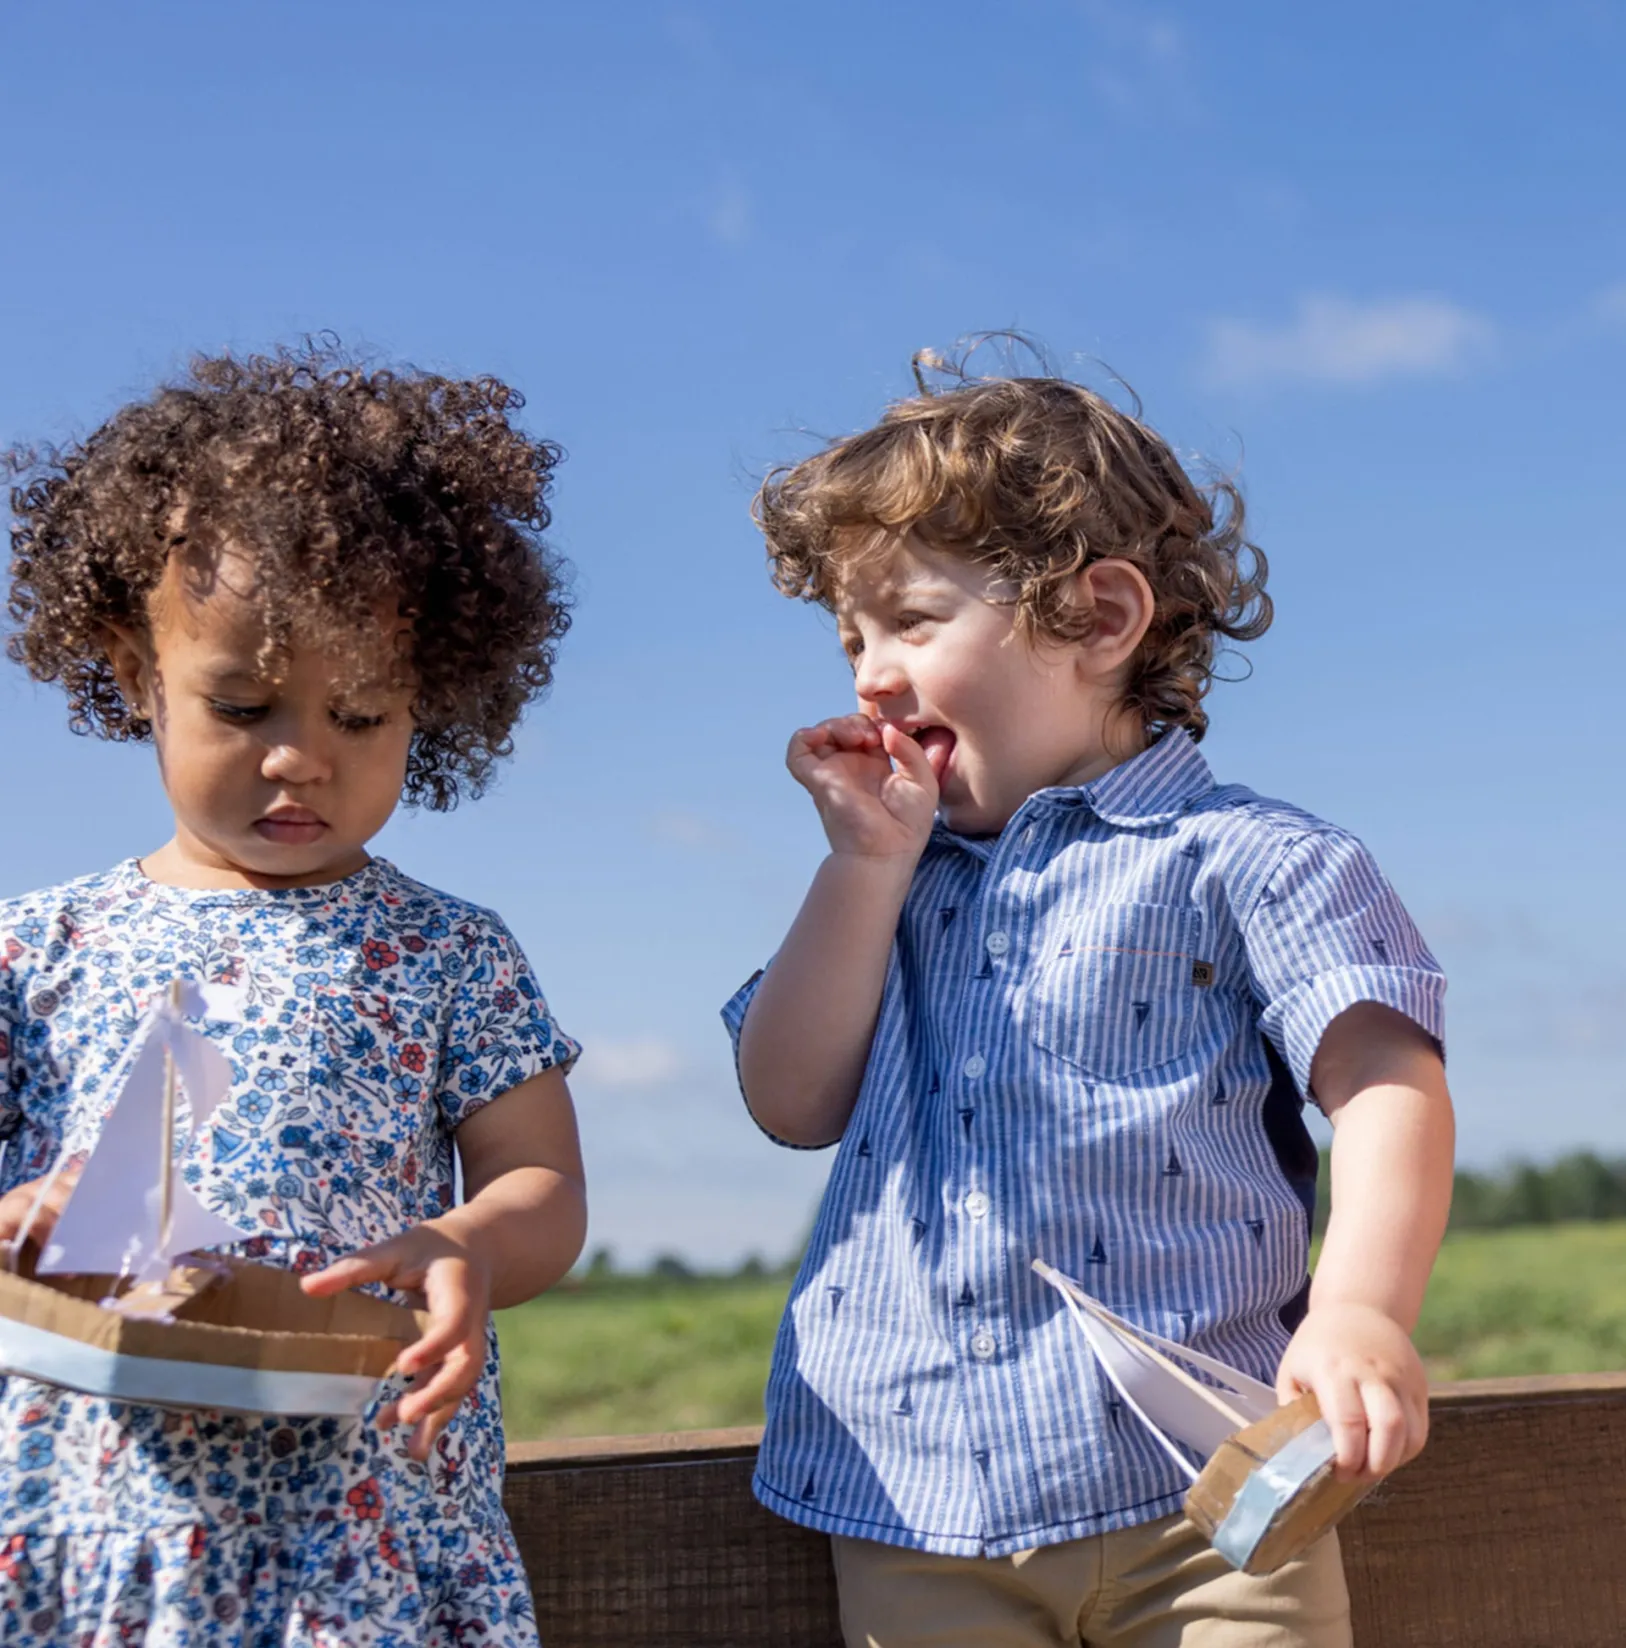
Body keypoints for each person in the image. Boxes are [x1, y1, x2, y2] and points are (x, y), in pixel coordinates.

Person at [725, 343, 1454, 1647]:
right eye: (850, 635)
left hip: (1215, 1495)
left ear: (1101, 619)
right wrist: (862, 868)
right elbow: (789, 1102)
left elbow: (1388, 1087)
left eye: (912, 620)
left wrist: (1360, 1311)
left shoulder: (1255, 861)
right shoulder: (888, 888)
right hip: (916, 1495)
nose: (868, 674)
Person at [0, 344, 585, 1646]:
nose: (299, 756)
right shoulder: (33, 952)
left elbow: (542, 1183)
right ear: (134, 665)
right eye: (244, 702)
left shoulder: (447, 952)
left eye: (364, 715)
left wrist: (467, 1244)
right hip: (96, 1527)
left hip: (361, 1528)